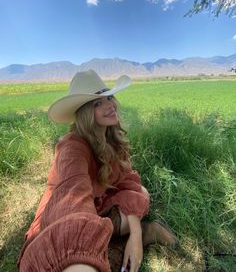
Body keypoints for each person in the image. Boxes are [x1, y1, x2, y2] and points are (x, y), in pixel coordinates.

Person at [18, 69, 178, 272]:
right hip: (63, 213)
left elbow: (128, 181)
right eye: (98, 103)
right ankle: (144, 234)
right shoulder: (72, 148)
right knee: (74, 250)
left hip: (98, 203)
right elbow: (72, 200)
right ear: (85, 113)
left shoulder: (111, 138)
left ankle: (137, 236)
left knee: (142, 193)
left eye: (109, 97)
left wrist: (135, 237)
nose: (110, 105)